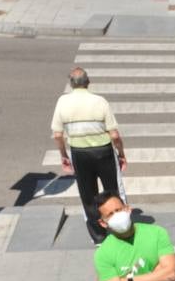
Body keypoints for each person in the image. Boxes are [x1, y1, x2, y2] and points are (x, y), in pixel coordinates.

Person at [50, 67, 128, 244]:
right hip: (104, 152)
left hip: (79, 153)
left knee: (88, 195)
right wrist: (121, 154)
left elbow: (57, 135)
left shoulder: (63, 102)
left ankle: (98, 236)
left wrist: (64, 156)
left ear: (71, 84)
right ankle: (120, 228)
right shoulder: (99, 101)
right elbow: (114, 135)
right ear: (88, 82)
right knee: (113, 191)